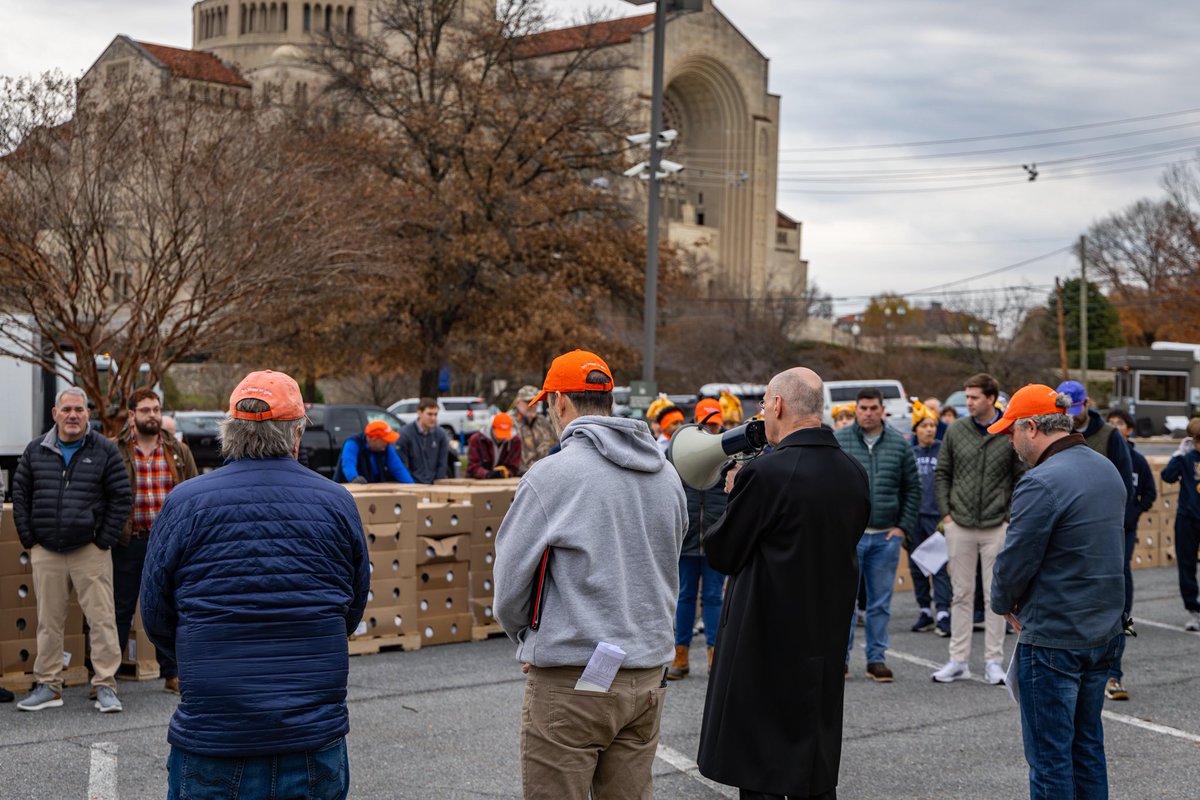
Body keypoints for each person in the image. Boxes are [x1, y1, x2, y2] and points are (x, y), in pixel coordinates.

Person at [141, 370, 369, 800]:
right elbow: (351, 608)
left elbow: (156, 614)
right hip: (311, 736)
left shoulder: (186, 502)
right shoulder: (337, 502)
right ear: (297, 433)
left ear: (231, 430)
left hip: (215, 732)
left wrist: (197, 653)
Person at [493, 349, 685, 800]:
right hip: (646, 675)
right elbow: (665, 561)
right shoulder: (667, 476)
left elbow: (508, 587)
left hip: (573, 678)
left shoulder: (552, 476)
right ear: (611, 400)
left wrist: (526, 636)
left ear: (559, 402)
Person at [697, 368, 870, 799]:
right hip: (823, 642)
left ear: (777, 404)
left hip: (765, 642)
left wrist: (735, 492)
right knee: (813, 766)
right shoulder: (852, 471)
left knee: (763, 771)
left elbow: (723, 552)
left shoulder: (767, 473)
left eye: (763, 404)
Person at [989, 384, 1125, 800]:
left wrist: (1001, 603)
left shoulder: (1041, 482)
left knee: (1050, 760)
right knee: (1087, 749)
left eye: (1011, 431)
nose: (1010, 441)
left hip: (1054, 637)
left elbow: (1014, 562)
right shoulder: (1105, 468)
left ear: (1032, 427)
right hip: (1104, 631)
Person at [12, 387, 132, 713]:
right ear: (55, 414)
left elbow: (122, 497)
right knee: (48, 622)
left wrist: (103, 539)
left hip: (89, 550)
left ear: (87, 414)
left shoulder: (104, 450)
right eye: (66, 409)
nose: (73, 415)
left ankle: (105, 685)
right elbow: (19, 495)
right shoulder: (35, 450)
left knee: (102, 619)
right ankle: (49, 686)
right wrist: (29, 538)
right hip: (47, 550)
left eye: (79, 409)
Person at [931, 373, 1023, 685]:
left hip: (997, 525)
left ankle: (994, 661)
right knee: (960, 594)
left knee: (996, 596)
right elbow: (943, 472)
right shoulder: (956, 430)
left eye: (973, 397)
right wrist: (947, 514)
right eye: (966, 396)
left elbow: (1020, 477)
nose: (967, 403)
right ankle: (958, 659)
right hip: (960, 524)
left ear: (991, 398)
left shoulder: (1007, 431)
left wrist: (1009, 516)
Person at [114, 388, 198, 695]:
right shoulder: (117, 450)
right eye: (146, 410)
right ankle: (108, 677)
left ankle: (173, 674)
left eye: (156, 409)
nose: (153, 415)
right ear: (132, 414)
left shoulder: (177, 451)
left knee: (171, 607)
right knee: (120, 608)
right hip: (130, 541)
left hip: (168, 543)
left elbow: (192, 492)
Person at [835, 387, 920, 682]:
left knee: (880, 604)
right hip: (850, 538)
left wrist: (902, 528)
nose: (868, 413)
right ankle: (839, 659)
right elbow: (827, 485)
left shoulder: (899, 444)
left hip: (885, 536)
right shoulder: (840, 442)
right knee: (842, 601)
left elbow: (912, 488)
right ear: (856, 410)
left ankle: (876, 659)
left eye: (873, 408)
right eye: (863, 408)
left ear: (882, 410)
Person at [668, 397, 727, 681]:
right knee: (685, 597)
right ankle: (681, 654)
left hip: (715, 536)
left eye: (715, 424)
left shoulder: (729, 453)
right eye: (707, 424)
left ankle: (715, 655)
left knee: (714, 597)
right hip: (689, 535)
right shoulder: (681, 451)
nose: (712, 428)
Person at [1103, 409, 1157, 699]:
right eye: (1110, 422)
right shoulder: (1099, 459)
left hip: (1124, 533)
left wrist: (1133, 514)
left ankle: (1115, 674)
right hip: (1100, 534)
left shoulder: (1137, 461)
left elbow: (1149, 493)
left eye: (1120, 423)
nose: (1114, 427)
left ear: (1130, 430)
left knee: (1121, 605)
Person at [909, 401, 951, 637]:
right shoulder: (910, 453)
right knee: (917, 565)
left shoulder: (943, 450)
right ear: (916, 429)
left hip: (937, 517)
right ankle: (924, 609)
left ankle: (943, 611)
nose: (929, 430)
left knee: (939, 566)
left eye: (932, 425)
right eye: (924, 426)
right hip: (915, 517)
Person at [1056, 380, 1134, 500]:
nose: (1071, 416)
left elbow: (1125, 482)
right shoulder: (1056, 435)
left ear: (1086, 402)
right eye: (1066, 411)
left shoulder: (1110, 435)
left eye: (1075, 410)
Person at [1162, 417, 1200, 631]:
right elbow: (1167, 476)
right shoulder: (1187, 458)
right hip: (1188, 517)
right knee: (1186, 565)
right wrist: (1178, 455)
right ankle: (1194, 610)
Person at [335, 420, 414, 484]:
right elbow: (348, 464)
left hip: (372, 490)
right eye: (385, 440)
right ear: (374, 439)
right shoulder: (353, 444)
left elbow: (398, 468)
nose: (388, 443)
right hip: (347, 493)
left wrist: (412, 486)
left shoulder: (385, 447)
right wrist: (354, 478)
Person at [397, 397, 450, 484]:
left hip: (433, 484)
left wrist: (438, 484)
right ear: (419, 413)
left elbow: (442, 464)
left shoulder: (440, 434)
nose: (433, 418)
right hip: (413, 484)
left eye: (435, 414)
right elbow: (403, 465)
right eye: (429, 414)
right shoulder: (405, 434)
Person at [513, 385, 556, 471]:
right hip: (516, 477)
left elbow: (556, 445)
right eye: (528, 401)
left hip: (544, 472)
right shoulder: (509, 423)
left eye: (535, 402)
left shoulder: (544, 422)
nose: (533, 405)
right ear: (517, 403)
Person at [467, 412, 522, 479]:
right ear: (492, 427)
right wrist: (488, 474)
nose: (502, 437)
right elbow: (473, 467)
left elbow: (514, 467)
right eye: (500, 432)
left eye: (505, 433)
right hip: (476, 483)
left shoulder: (515, 441)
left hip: (504, 483)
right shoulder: (476, 440)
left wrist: (506, 473)